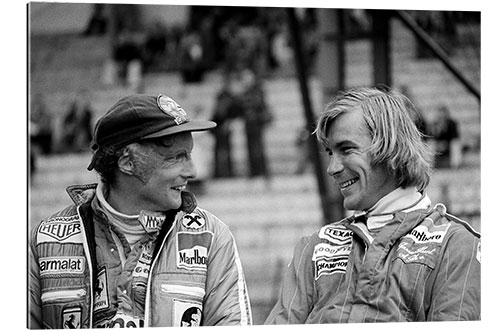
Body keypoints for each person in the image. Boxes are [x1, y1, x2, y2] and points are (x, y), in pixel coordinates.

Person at [29, 94, 253, 328]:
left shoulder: (211, 237)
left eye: (190, 155)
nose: (192, 171)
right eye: (177, 157)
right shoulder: (45, 239)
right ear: (128, 161)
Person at [265, 86, 480, 324]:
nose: (332, 168)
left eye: (346, 149)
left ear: (391, 148)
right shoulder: (314, 246)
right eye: (329, 153)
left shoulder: (455, 246)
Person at [430, 104, 461, 168]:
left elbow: (455, 137)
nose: (441, 115)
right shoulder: (435, 124)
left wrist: (446, 144)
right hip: (439, 144)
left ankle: (455, 165)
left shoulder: (452, 123)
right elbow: (432, 137)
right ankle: (430, 165)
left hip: (449, 144)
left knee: (455, 144)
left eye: (443, 113)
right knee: (431, 144)